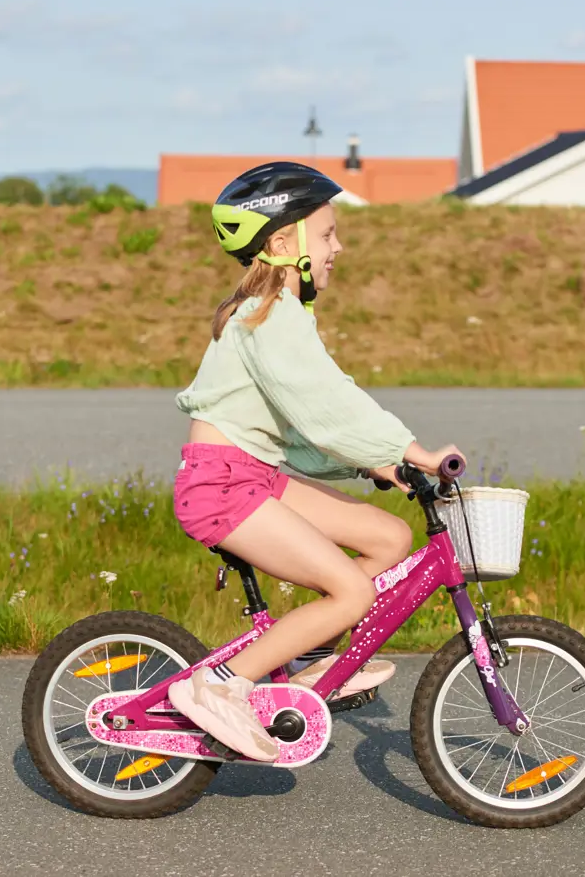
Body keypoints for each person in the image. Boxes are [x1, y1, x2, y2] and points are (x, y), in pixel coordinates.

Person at [166, 161, 462, 762]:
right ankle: (219, 686)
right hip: (222, 486)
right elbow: (328, 404)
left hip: (253, 476)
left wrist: (373, 466)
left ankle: (308, 661)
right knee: (351, 594)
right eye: (327, 234)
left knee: (388, 536)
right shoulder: (267, 316)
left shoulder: (280, 315)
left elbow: (302, 428)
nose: (338, 247)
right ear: (283, 244)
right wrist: (409, 451)